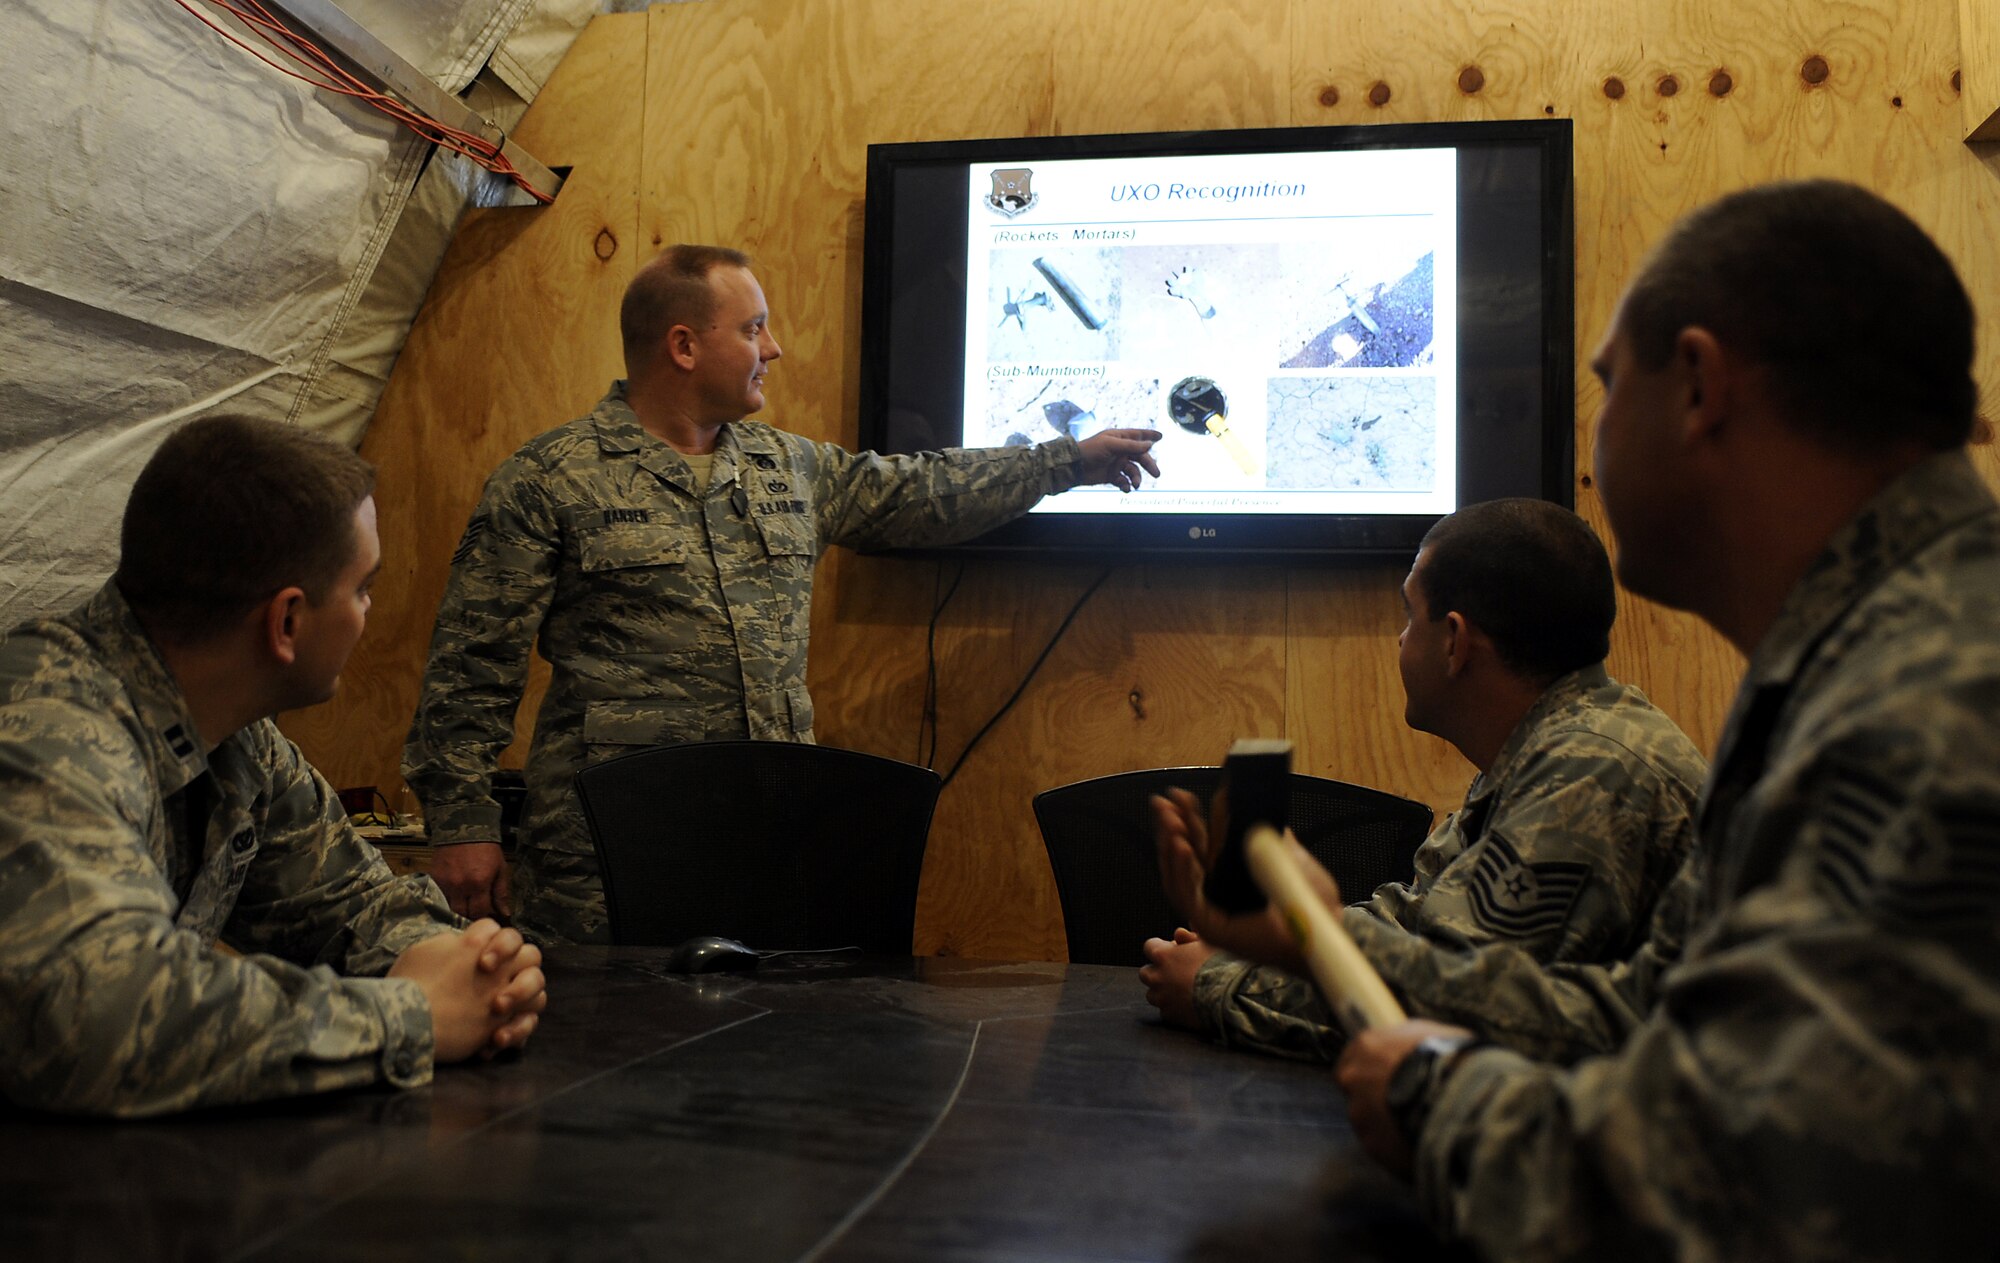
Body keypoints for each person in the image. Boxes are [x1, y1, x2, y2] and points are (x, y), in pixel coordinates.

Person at [1175, 180, 2000, 1258]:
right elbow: (1647, 1021)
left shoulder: (1925, 696)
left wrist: (1438, 1099)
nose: (1595, 441)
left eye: (1607, 386)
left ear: (1697, 385)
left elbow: (1745, 1193)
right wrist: (1321, 943)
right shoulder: (1856, 657)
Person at [406, 244, 1163, 945]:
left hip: (767, 841)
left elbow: (924, 489)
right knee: (600, 1060)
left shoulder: (790, 468)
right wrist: (462, 822)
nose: (773, 349)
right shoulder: (549, 478)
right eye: (755, 328)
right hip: (607, 856)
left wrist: (1065, 462)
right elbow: (470, 667)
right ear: (683, 345)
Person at [0, 416, 548, 1118]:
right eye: (362, 588)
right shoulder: (47, 727)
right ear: (286, 622)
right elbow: (98, 1018)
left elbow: (358, 904)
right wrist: (409, 1016)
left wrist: (475, 971)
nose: (369, 611)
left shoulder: (235, 740)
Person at [1144, 499, 1707, 1062]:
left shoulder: (1592, 769)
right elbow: (1417, 927)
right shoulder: (1546, 747)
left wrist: (1219, 986)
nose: (1399, 638)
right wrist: (1260, 952)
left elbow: (1449, 1017)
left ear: (1454, 641)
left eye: (1411, 615)